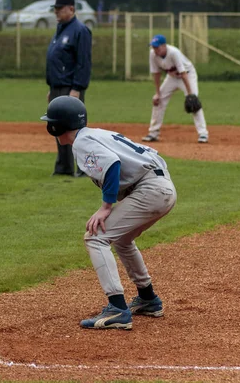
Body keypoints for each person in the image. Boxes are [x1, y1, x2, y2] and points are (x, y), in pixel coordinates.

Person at [40, 95, 177, 329]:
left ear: (57, 127)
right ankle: (148, 299)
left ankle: (117, 308)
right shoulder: (94, 134)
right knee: (122, 239)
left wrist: (106, 207)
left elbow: (112, 163)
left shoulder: (82, 142)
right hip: (160, 187)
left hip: (150, 190)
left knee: (96, 237)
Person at [46, 0, 92, 177]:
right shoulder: (61, 29)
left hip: (70, 88)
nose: (56, 11)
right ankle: (64, 167)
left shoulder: (80, 31)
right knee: (59, 128)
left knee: (75, 130)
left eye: (60, 8)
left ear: (71, 9)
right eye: (56, 8)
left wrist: (77, 88)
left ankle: (84, 168)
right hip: (58, 86)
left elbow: (83, 63)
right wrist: (51, 87)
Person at [142, 34, 209, 144]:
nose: (155, 49)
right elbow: (156, 74)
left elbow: (183, 73)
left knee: (194, 103)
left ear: (164, 46)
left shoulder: (173, 52)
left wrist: (190, 94)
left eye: (157, 47)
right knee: (158, 101)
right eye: (153, 47)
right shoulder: (152, 54)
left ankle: (203, 134)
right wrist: (157, 93)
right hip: (172, 77)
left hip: (188, 75)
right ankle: (153, 133)